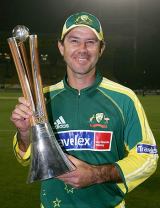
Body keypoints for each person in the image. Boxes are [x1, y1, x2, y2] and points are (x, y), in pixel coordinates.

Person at [11, 12, 158, 208]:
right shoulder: (42, 99)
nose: (82, 49)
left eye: (91, 42)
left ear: (101, 49)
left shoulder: (124, 98)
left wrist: (97, 175)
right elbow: (27, 158)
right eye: (74, 41)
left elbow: (147, 157)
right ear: (61, 47)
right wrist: (23, 133)